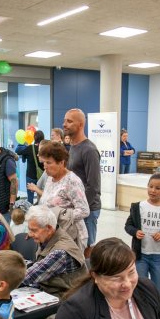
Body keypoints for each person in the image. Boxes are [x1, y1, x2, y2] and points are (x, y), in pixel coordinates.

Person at [124, 173, 160, 293]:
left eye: (158, 188)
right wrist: (135, 232)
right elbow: (128, 226)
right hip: (140, 255)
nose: (153, 190)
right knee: (140, 286)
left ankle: (155, 308)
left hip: (158, 256)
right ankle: (142, 308)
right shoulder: (138, 207)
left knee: (158, 288)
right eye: (151, 186)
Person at [20, 206, 88, 296]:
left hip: (65, 297)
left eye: (34, 230)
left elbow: (30, 276)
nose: (29, 234)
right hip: (52, 289)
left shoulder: (60, 252)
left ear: (48, 229)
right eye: (29, 229)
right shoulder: (50, 236)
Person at [38, 140, 90, 250]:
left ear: (61, 162)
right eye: (44, 163)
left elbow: (84, 210)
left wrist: (58, 216)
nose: (45, 166)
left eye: (49, 162)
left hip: (70, 237)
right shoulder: (50, 178)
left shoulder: (72, 181)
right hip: (53, 235)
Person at [63, 108, 102, 254]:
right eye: (65, 120)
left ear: (80, 125)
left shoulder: (89, 150)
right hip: (75, 209)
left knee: (86, 250)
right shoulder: (73, 147)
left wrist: (81, 209)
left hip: (88, 210)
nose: (64, 124)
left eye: (69, 121)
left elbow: (93, 186)